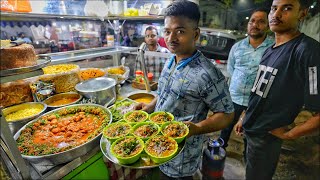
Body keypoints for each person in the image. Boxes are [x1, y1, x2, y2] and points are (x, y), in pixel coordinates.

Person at [135, 0, 234, 178]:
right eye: (167, 31)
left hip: (181, 159)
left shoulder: (208, 74)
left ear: (195, 35)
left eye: (180, 31)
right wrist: (149, 107)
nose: (171, 38)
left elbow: (227, 115)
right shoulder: (171, 59)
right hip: (156, 146)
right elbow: (165, 92)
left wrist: (196, 128)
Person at [234, 0, 320, 179]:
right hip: (251, 128)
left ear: (302, 14)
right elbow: (259, 89)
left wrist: (290, 134)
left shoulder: (307, 50)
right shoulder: (270, 50)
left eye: (287, 8)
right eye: (274, 8)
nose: (277, 14)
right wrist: (245, 116)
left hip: (266, 137)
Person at [219, 8, 274, 156]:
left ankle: (247, 158)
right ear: (248, 25)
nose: (255, 25)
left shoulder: (273, 48)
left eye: (261, 21)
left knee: (249, 133)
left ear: (268, 26)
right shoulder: (237, 47)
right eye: (252, 21)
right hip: (234, 98)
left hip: (256, 101)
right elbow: (230, 70)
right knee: (225, 129)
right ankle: (218, 153)